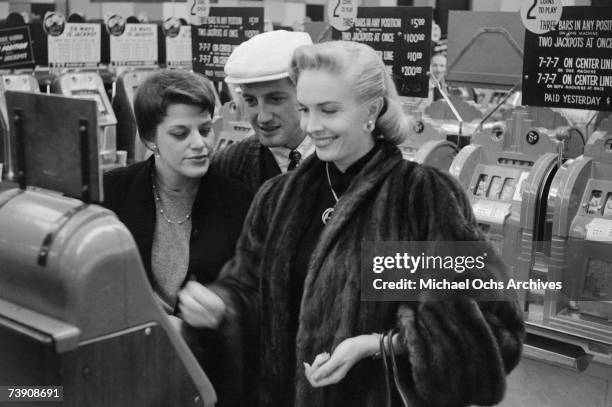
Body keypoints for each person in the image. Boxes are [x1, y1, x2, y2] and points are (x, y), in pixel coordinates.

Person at [193, 41, 525, 406]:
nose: (312, 125)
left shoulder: (421, 198)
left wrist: (379, 345)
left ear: (371, 111)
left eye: (329, 110)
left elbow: (495, 330)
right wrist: (219, 305)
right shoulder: (278, 198)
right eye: (304, 109)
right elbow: (250, 291)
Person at [102, 69, 251, 407]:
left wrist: (223, 307)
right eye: (180, 133)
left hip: (204, 379)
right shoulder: (112, 193)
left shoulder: (239, 202)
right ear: (150, 138)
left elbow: (250, 289)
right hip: (127, 370)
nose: (200, 144)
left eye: (205, 129)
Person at [212, 30, 315, 195]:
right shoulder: (228, 165)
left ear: (306, 93)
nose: (263, 117)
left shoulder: (343, 157)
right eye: (251, 101)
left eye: (275, 99)